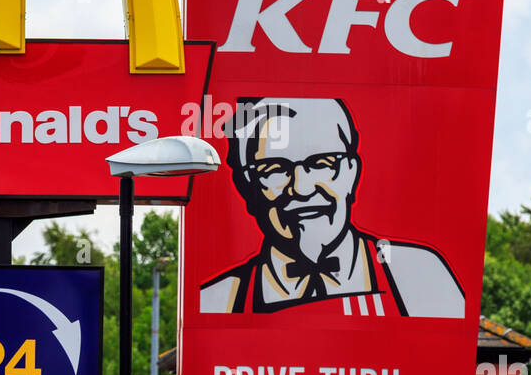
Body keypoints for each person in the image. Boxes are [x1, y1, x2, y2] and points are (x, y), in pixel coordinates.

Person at [199, 97, 465, 317]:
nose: (302, 189)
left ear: (351, 173)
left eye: (322, 164)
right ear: (248, 186)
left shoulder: (418, 274)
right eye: (275, 169)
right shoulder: (220, 299)